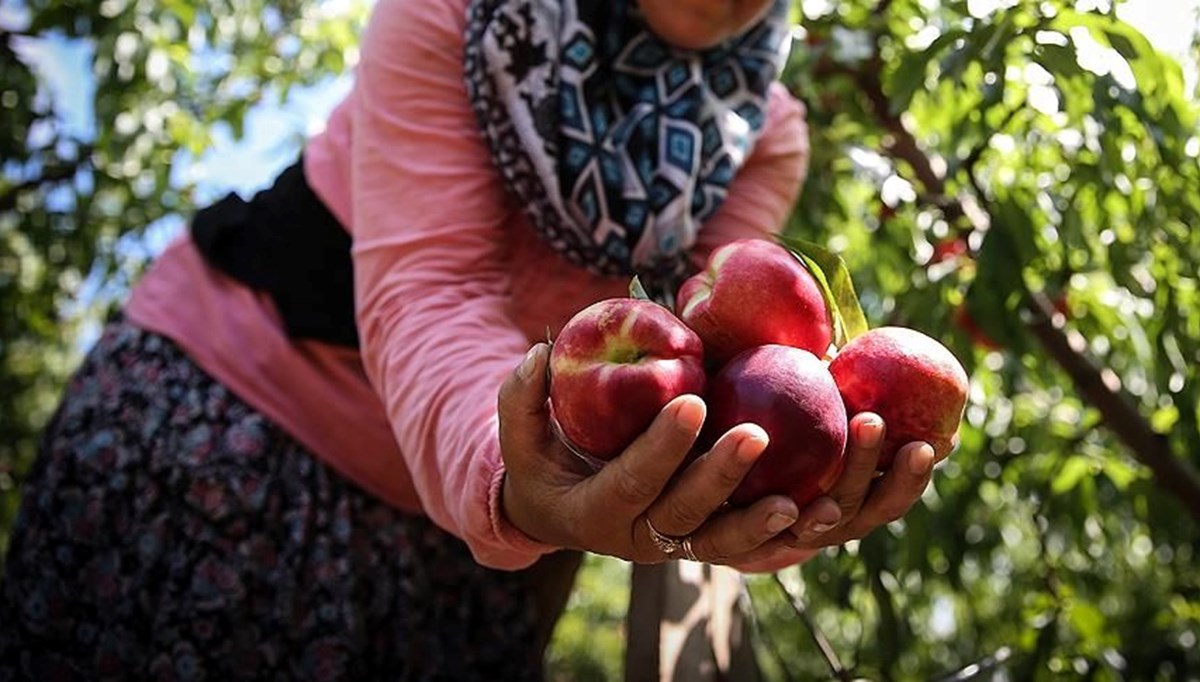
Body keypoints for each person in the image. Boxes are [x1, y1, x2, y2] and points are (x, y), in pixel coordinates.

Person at [0, 0, 942, 678]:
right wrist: (517, 480)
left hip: (475, 550)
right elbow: (431, 288)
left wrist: (767, 481)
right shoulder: (449, 14)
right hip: (234, 436)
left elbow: (720, 359)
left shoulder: (764, 133)